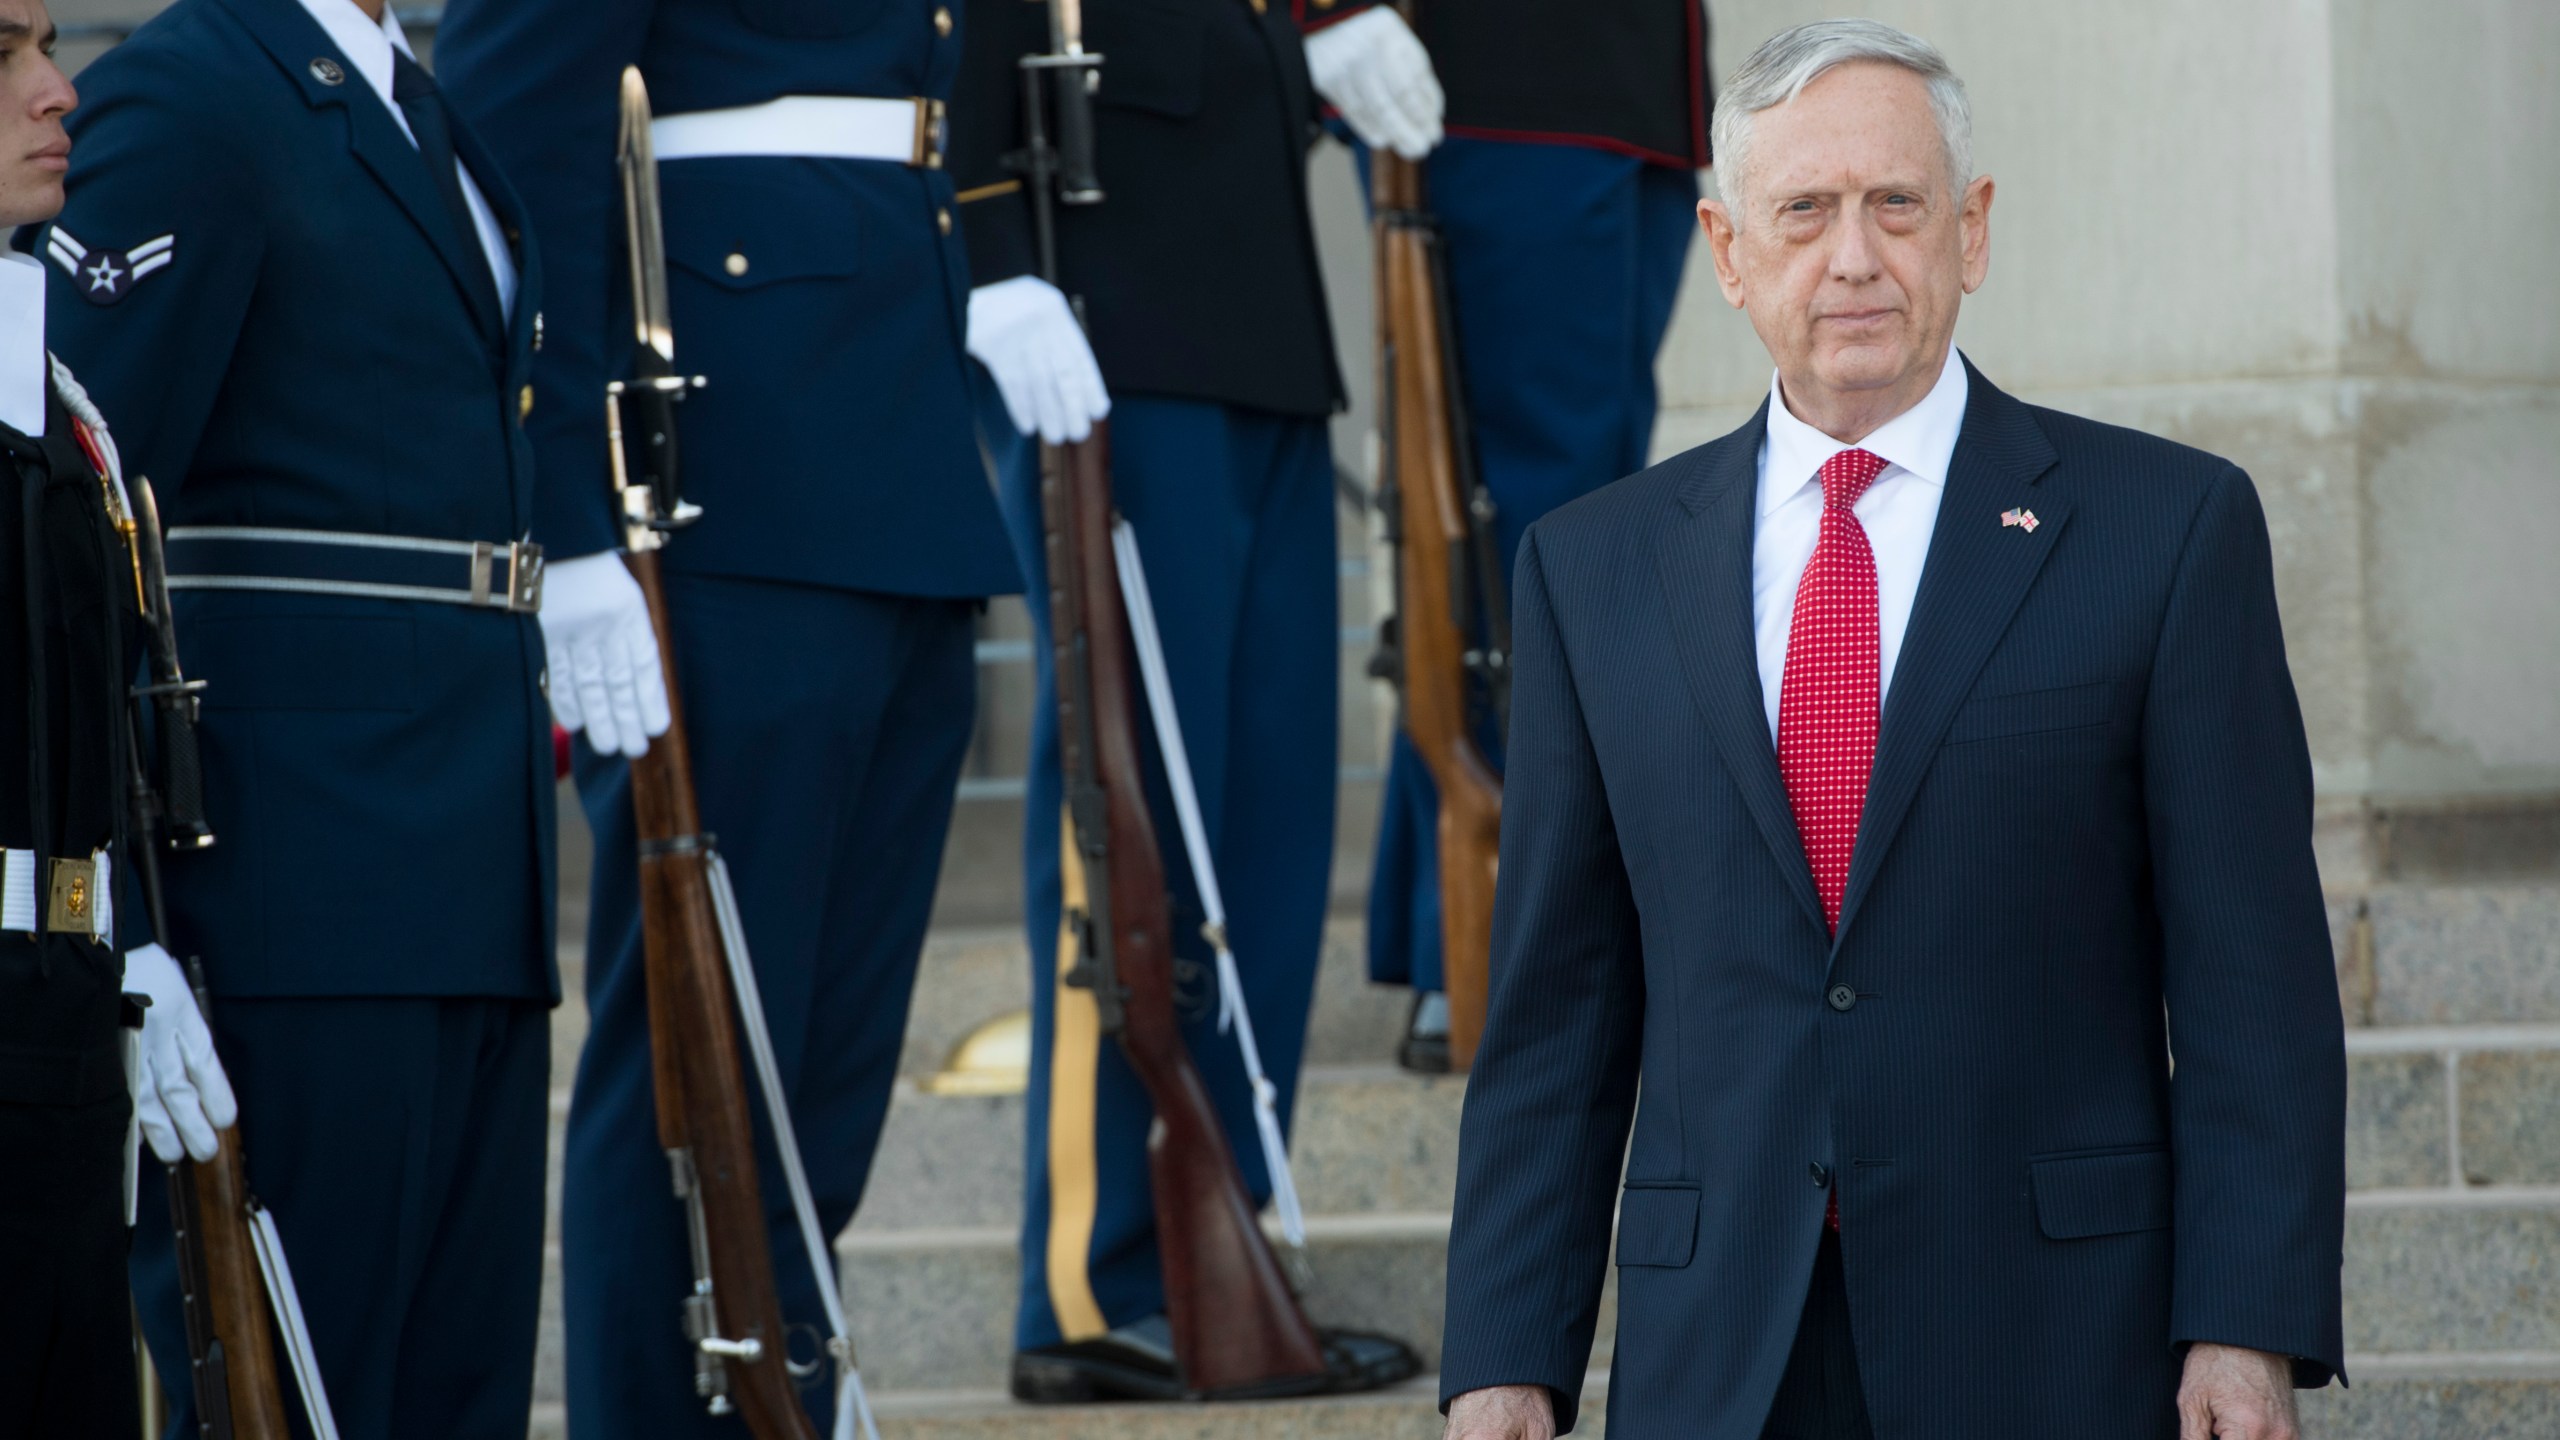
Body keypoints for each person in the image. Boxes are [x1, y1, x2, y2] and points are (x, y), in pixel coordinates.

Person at [1440, 20, 2345, 1440]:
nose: (1852, 257)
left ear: (1971, 233)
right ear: (1730, 255)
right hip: (1721, 1351)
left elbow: (2253, 983)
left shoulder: (2164, 533)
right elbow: (1557, 1009)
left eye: (1896, 205)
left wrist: (2246, 1327)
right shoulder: (1591, 567)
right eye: (1802, 212)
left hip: (2054, 1336)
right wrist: (1505, 1352)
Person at [432, 1, 1022, 1433]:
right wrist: (566, 513)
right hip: (721, 479)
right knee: (700, 1061)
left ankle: (774, 1398)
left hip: (890, 440)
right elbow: (507, 150)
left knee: (819, 1064)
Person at [40, 0, 569, 1430]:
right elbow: (75, 534)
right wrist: (122, 928)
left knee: (452, 1391)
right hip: (298, 864)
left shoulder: (411, 92)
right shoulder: (194, 96)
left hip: (464, 851)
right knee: (298, 1382)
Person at [948, 0, 1426, 1402]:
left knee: (1265, 841)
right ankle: (1101, 1283)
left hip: (1261, 342)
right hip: (1109, 334)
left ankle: (1236, 1246)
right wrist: (986, 253)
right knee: (1133, 819)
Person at [1301, 0, 1709, 1071]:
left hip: (1633, 90)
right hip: (1491, 81)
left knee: (1592, 521)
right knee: (1502, 522)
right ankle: (1471, 937)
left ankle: (1533, 925)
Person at [2, 6, 234, 1430]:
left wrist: (127, 933)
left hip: (61, 1011)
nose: (58, 92)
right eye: (2, 57)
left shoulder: (61, 400)